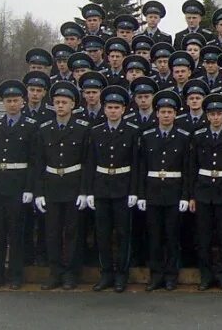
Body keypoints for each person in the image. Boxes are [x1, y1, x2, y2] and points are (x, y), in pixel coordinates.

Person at [0, 80, 38, 290]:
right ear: (3, 103)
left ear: (23, 102)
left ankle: (15, 275)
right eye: (8, 101)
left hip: (18, 183)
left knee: (16, 232)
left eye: (15, 100)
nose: (12, 104)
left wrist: (30, 188)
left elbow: (33, 161)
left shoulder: (30, 126)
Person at [33, 81, 91, 291]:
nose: (60, 106)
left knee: (73, 232)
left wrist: (85, 191)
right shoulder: (45, 129)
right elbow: (38, 163)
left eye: (64, 102)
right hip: (51, 186)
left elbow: (87, 162)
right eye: (57, 102)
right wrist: (38, 192)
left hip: (74, 184)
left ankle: (71, 273)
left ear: (73, 104)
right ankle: (55, 272)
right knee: (52, 232)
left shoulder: (83, 129)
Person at [137, 90, 192, 292]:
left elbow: (187, 168)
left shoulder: (183, 137)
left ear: (175, 114)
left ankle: (171, 275)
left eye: (170, 112)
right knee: (154, 237)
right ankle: (156, 275)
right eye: (163, 112)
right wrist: (141, 194)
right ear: (157, 114)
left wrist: (186, 195)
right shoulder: (148, 136)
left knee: (172, 236)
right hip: (152, 192)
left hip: (174, 192)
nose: (166, 115)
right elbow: (142, 167)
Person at [86, 85, 140, 292]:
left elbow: (136, 164)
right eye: (109, 107)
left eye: (117, 107)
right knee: (103, 233)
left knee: (123, 233)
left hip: (123, 187)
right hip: (101, 188)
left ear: (124, 109)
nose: (113, 111)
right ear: (104, 109)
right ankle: (106, 272)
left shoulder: (132, 132)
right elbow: (90, 163)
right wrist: (89, 191)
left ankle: (121, 275)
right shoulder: (96, 131)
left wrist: (134, 191)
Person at [189, 93, 222, 291]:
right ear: (207, 116)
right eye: (212, 114)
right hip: (203, 190)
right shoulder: (199, 136)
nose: (216, 117)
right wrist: (191, 195)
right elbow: (192, 167)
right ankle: (206, 275)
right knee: (204, 236)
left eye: (219, 114)